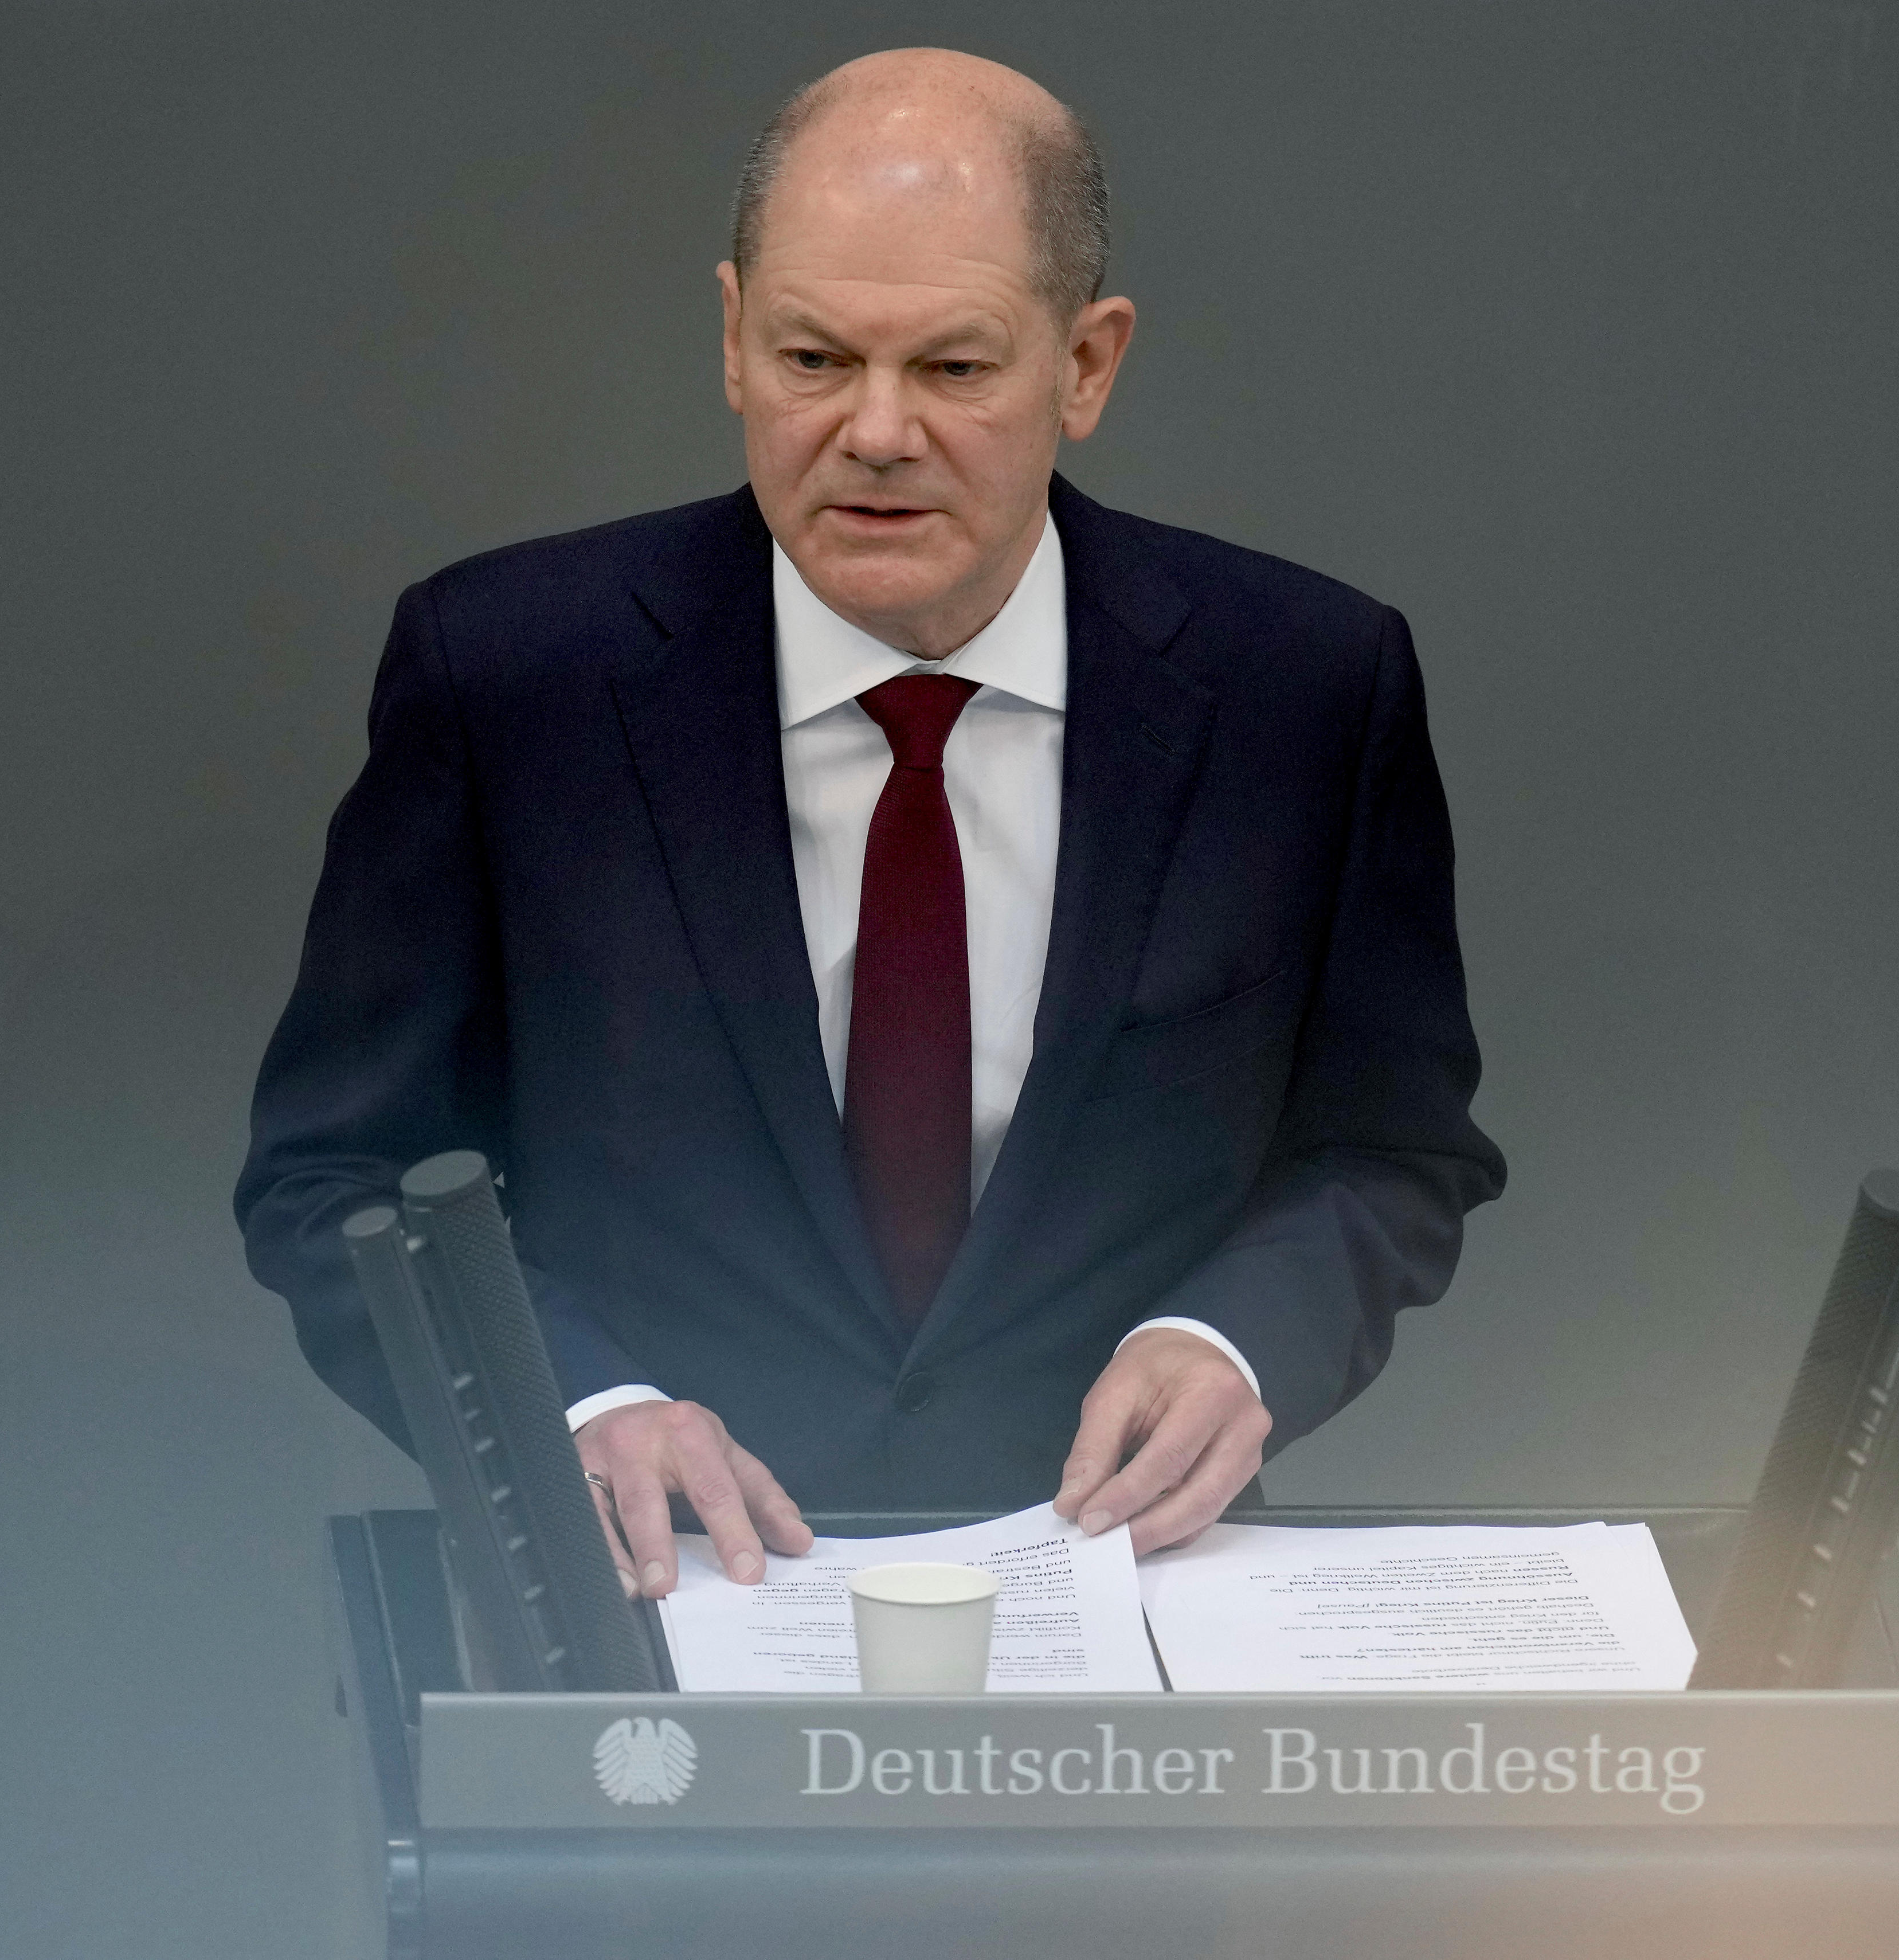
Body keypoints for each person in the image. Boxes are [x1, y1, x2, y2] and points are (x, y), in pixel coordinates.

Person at [234, 48, 1503, 1601]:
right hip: (672, 1603)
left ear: (1088, 365)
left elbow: (1389, 1147)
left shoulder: (1304, 687)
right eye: (815, 358)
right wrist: (575, 1402)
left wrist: (1237, 1337)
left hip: (1114, 1611)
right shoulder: (509, 675)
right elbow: (338, 1175)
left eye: (955, 370)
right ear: (729, 339)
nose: (877, 431)